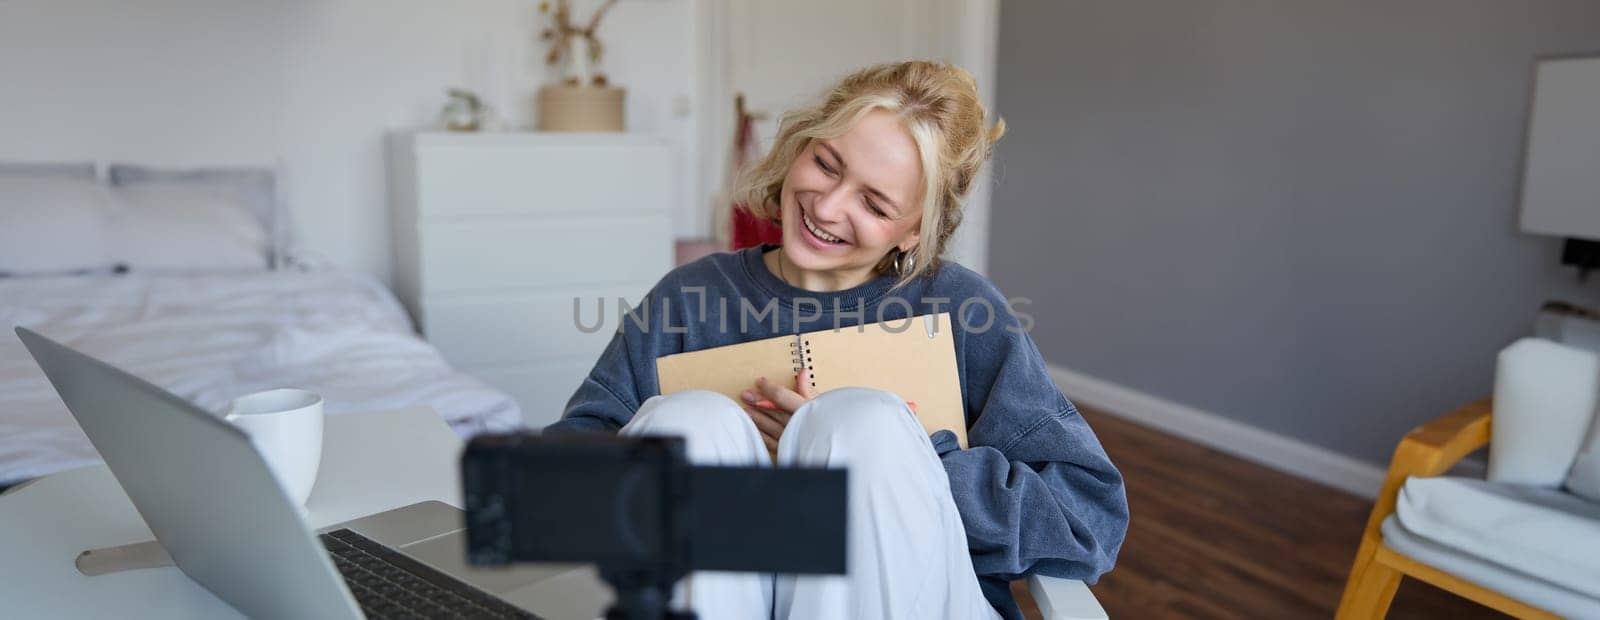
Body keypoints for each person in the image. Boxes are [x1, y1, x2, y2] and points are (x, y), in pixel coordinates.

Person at [548, 60, 1128, 620]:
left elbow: (1086, 520)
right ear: (799, 145)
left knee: (862, 423)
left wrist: (916, 465)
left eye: (875, 204)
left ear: (916, 230)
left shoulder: (961, 309)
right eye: (826, 165)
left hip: (915, 599)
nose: (826, 207)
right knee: (689, 425)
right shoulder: (688, 297)